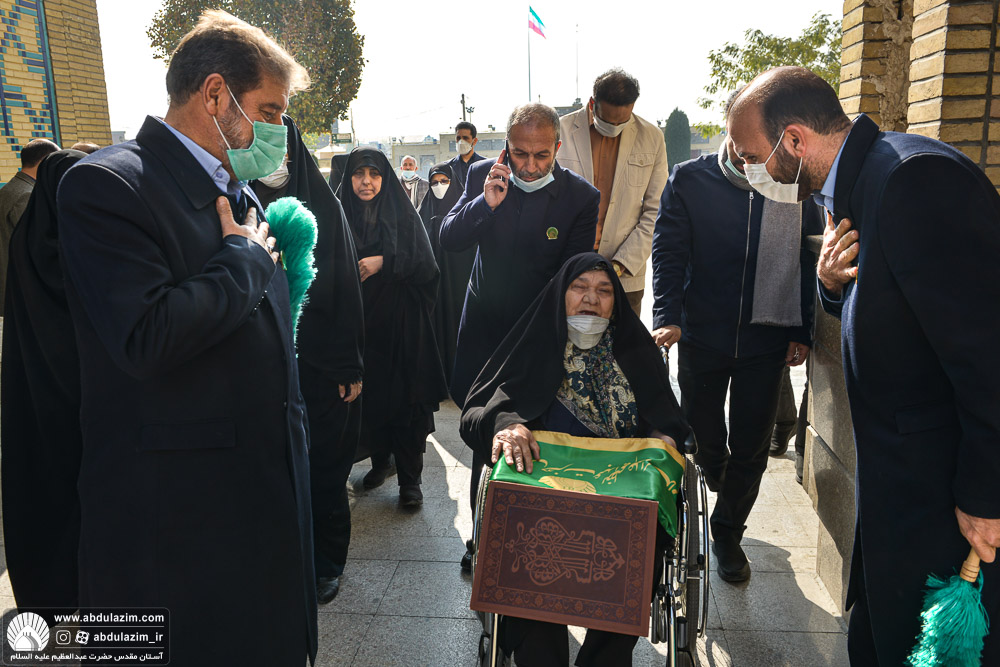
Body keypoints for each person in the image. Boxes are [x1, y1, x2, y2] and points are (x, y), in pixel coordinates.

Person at [55, 11, 316, 666]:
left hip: (263, 511)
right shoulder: (111, 185)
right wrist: (244, 263)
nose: (278, 131)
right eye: (269, 111)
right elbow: (145, 335)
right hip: (180, 536)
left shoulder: (241, 194)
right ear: (216, 95)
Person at [727, 65, 1000, 666]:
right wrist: (829, 285)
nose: (749, 170)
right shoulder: (857, 188)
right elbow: (891, 307)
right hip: (894, 492)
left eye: (751, 156)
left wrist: (987, 492)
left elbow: (986, 353)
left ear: (793, 140)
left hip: (946, 498)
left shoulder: (913, 180)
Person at [461, 253, 689, 667]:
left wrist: (662, 437)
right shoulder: (534, 344)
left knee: (646, 534)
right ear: (560, 295)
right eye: (579, 287)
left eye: (604, 291)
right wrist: (508, 425)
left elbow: (669, 422)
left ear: (616, 302)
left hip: (622, 498)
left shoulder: (636, 351)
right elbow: (477, 412)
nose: (591, 299)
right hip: (543, 499)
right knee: (525, 551)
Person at [651, 89, 822, 583]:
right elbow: (669, 252)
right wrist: (667, 315)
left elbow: (808, 256)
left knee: (752, 444)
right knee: (703, 433)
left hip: (767, 338)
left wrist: (802, 328)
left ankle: (727, 532)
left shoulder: (793, 182)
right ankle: (718, 471)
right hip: (703, 332)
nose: (751, 160)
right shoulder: (690, 180)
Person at [440, 102, 599, 571]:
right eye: (520, 154)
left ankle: (531, 537)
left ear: (557, 147)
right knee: (484, 434)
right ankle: (481, 537)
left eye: (540, 156)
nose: (529, 166)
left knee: (531, 432)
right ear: (506, 147)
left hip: (538, 336)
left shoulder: (580, 197)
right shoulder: (483, 176)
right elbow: (449, 238)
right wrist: (485, 204)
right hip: (484, 334)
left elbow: (573, 275)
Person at [252, 114, 365, 604]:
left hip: (320, 364)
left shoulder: (325, 208)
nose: (275, 160)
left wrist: (348, 366)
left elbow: (345, 291)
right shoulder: (243, 203)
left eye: (282, 149)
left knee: (324, 467)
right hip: (263, 366)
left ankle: (326, 564)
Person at [1, 148, 87, 622]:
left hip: (30, 385)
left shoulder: (30, 236)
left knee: (38, 493)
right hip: (74, 393)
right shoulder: (75, 240)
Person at [339, 147, 447, 507]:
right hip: (362, 327)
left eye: (374, 174)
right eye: (359, 174)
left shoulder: (403, 215)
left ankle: (410, 481)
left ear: (385, 179)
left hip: (402, 327)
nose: (366, 182)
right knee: (369, 399)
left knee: (405, 402)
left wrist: (385, 261)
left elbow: (427, 266)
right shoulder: (339, 215)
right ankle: (380, 461)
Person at [558, 68, 667, 315]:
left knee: (624, 340)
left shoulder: (652, 137)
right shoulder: (561, 130)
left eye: (622, 122)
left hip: (625, 275)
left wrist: (619, 264)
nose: (615, 127)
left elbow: (656, 211)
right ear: (592, 103)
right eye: (607, 121)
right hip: (568, 268)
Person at [419, 161, 474, 384]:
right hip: (435, 290)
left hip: (462, 287)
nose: (439, 186)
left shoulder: (465, 213)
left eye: (444, 181)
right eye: (434, 183)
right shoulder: (422, 213)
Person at [0, 138, 60, 313]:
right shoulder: (27, 195)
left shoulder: (9, 189)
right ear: (44, 161)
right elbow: (36, 244)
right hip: (21, 285)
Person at [446, 120, 485, 191]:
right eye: (458, 138)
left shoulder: (485, 165)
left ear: (474, 141)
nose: (461, 142)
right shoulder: (448, 167)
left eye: (465, 138)